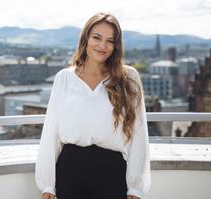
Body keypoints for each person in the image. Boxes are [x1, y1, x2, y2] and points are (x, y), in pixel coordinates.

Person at [35, 12, 151, 199]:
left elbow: (139, 134)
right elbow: (50, 132)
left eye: (110, 41)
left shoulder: (128, 79)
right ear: (85, 39)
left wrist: (136, 187)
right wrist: (47, 184)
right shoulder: (64, 78)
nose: (102, 45)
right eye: (97, 37)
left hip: (111, 172)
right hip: (69, 171)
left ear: (116, 46)